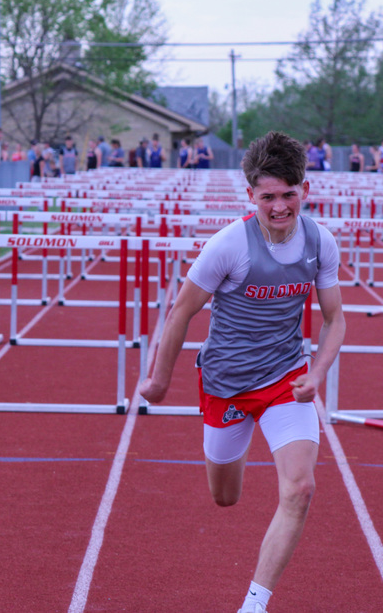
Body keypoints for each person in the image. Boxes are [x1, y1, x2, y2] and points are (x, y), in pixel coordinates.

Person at [140, 131, 346, 613]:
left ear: (305, 191)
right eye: (268, 196)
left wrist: (316, 373)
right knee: (225, 498)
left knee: (300, 488)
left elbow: (336, 319)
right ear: (249, 194)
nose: (279, 207)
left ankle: (253, 605)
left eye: (288, 195)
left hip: (285, 381)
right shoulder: (228, 245)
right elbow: (180, 312)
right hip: (226, 385)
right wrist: (159, 381)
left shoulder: (320, 242)